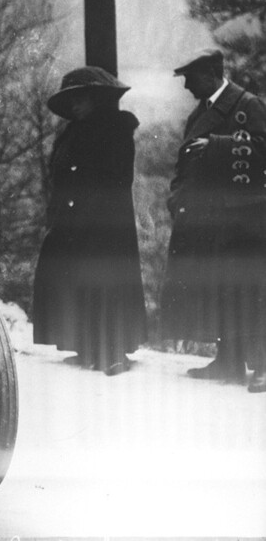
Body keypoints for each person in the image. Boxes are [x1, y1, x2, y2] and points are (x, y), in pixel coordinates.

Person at [159, 49, 266, 393]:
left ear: (209, 75)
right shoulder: (200, 113)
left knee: (251, 293)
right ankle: (230, 361)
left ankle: (263, 365)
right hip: (208, 218)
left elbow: (264, 148)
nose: (187, 87)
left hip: (244, 219)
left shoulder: (247, 105)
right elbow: (184, 162)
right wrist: (176, 197)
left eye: (190, 79)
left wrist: (217, 145)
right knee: (220, 289)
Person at [32, 66, 148, 376]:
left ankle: (113, 351)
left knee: (106, 283)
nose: (75, 107)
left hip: (105, 223)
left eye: (80, 99)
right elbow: (59, 177)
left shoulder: (116, 130)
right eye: (72, 102)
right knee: (76, 281)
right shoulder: (72, 133)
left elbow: (117, 178)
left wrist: (87, 210)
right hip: (73, 221)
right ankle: (86, 345)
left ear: (96, 99)